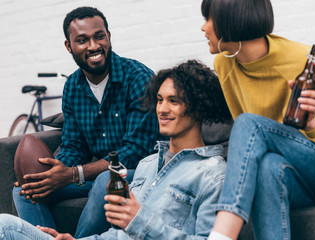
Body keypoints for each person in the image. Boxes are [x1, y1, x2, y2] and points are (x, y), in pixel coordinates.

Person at [0, 59, 232, 240]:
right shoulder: (148, 165)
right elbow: (118, 234)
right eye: (159, 99)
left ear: (200, 108)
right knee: (4, 225)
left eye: (174, 101)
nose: (162, 108)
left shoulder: (213, 175)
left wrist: (139, 219)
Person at [200, 0, 315, 240]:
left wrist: (312, 125)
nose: (203, 28)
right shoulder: (224, 65)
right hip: (289, 174)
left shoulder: (302, 61)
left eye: (208, 19)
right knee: (268, 167)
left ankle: (223, 232)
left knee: (248, 124)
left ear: (230, 20)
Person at [12, 6, 159, 238]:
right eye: (82, 40)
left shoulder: (138, 78)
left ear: (109, 37)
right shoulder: (73, 86)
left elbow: (136, 152)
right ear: (69, 46)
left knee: (106, 179)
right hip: (93, 176)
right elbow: (74, 146)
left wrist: (74, 174)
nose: (93, 46)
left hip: (138, 174)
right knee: (26, 190)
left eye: (99, 36)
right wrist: (52, 173)